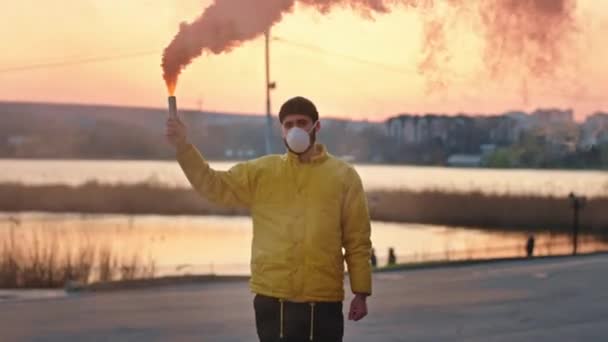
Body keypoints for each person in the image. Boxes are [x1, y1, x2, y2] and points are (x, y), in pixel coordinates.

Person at [165, 96, 372, 342]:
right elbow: (213, 185)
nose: (295, 129)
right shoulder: (262, 172)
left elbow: (357, 239)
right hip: (273, 301)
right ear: (281, 130)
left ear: (316, 127)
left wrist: (360, 292)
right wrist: (183, 147)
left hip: (323, 302)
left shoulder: (343, 177)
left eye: (302, 123)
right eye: (289, 124)